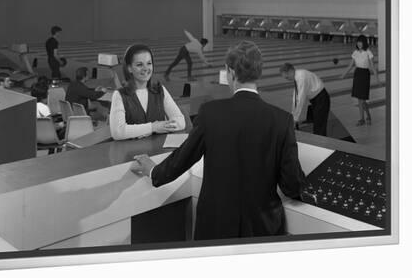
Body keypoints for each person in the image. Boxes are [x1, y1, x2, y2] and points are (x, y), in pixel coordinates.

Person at [131, 41, 305, 240]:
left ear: (230, 72)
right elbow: (292, 185)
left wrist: (154, 171)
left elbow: (183, 157)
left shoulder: (211, 113)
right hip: (262, 228)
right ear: (258, 72)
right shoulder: (282, 120)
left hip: (216, 225)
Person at [109, 44, 185, 140]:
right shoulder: (120, 95)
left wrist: (162, 127)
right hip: (132, 153)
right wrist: (153, 127)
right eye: (139, 65)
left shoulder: (159, 90)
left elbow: (180, 121)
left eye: (149, 63)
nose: (146, 68)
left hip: (159, 151)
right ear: (129, 68)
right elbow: (118, 132)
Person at [279, 63, 331, 136]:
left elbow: (300, 99)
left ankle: (320, 145)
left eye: (287, 77)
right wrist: (293, 116)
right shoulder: (298, 76)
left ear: (290, 71)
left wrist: (295, 118)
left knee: (319, 127)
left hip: (321, 99)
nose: (287, 79)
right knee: (317, 123)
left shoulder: (301, 78)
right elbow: (295, 97)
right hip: (317, 100)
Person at [340, 34, 380, 126]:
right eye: (358, 42)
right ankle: (363, 118)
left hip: (365, 74)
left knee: (362, 99)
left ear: (364, 43)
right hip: (357, 74)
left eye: (361, 42)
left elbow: (373, 67)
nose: (359, 44)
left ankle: (366, 116)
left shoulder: (368, 52)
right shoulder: (355, 52)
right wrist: (343, 75)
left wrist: (377, 79)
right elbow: (351, 65)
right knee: (360, 99)